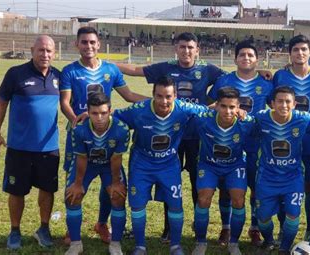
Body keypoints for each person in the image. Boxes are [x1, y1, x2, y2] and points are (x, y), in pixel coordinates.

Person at [117, 32, 227, 243]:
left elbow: (230, 80)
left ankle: (198, 224)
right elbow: (136, 70)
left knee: (197, 182)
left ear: (197, 50)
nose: (186, 51)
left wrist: (259, 71)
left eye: (190, 47)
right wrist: (104, 63)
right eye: (182, 46)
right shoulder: (166, 67)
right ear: (176, 49)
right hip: (168, 135)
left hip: (195, 137)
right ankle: (168, 229)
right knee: (169, 181)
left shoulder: (207, 69)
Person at [60, 26, 146, 244]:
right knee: (74, 182)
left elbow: (128, 96)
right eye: (84, 42)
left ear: (98, 44)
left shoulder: (110, 69)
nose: (88, 46)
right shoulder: (70, 71)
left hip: (105, 133)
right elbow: (64, 102)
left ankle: (101, 223)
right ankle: (72, 229)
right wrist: (75, 119)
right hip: (80, 135)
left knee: (110, 182)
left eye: (92, 42)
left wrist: (153, 102)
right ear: (76, 44)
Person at [113, 76, 207, 255]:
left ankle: (175, 246)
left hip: (169, 164)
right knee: (138, 205)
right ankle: (140, 246)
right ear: (153, 95)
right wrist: (89, 116)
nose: (164, 101)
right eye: (160, 96)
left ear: (175, 96)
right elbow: (114, 117)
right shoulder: (139, 110)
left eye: (169, 96)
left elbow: (209, 111)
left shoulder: (184, 109)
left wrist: (235, 111)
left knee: (175, 204)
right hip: (142, 163)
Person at [0, 35, 60, 250]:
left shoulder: (59, 76)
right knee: (16, 191)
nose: (45, 54)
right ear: (32, 50)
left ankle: (44, 228)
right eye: (41, 50)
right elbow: (1, 104)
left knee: (48, 190)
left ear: (54, 53)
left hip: (49, 148)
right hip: (19, 148)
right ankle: (14, 230)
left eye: (49, 51)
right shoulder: (15, 74)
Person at [208, 40, 273, 246]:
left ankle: (254, 228)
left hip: (256, 143)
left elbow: (275, 107)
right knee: (227, 187)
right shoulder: (223, 81)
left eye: (250, 55)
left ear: (257, 60)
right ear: (235, 58)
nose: (246, 58)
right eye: (242, 54)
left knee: (255, 188)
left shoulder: (266, 84)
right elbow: (211, 104)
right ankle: (226, 228)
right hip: (228, 142)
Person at [272, 34, 310, 245]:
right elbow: (271, 102)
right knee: (283, 186)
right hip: (284, 140)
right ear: (290, 53)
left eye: (304, 49)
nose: (300, 53)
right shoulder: (280, 76)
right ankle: (282, 229)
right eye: (296, 49)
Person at [254, 86, 310, 254]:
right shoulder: (261, 118)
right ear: (272, 104)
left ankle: (284, 247)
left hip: (293, 177)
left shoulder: (303, 119)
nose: (284, 105)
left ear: (295, 104)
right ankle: (268, 241)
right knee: (263, 217)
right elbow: (244, 126)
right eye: (280, 101)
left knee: (293, 214)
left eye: (288, 101)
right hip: (267, 176)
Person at [192, 87, 255, 255]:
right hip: (209, 165)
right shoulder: (203, 119)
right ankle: (200, 242)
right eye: (224, 106)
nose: (228, 111)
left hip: (234, 165)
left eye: (232, 107)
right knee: (204, 198)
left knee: (239, 200)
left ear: (238, 107)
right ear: (217, 106)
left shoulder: (246, 122)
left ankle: (234, 243)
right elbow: (182, 108)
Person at [64, 93, 129, 255]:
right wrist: (78, 184)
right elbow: (81, 158)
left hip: (109, 164)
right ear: (88, 112)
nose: (99, 118)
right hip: (88, 164)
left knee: (118, 195)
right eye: (94, 113)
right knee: (73, 195)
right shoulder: (79, 129)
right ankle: (76, 243)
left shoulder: (121, 129)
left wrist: (115, 183)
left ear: (110, 111)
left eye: (103, 113)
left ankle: (115, 244)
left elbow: (116, 159)